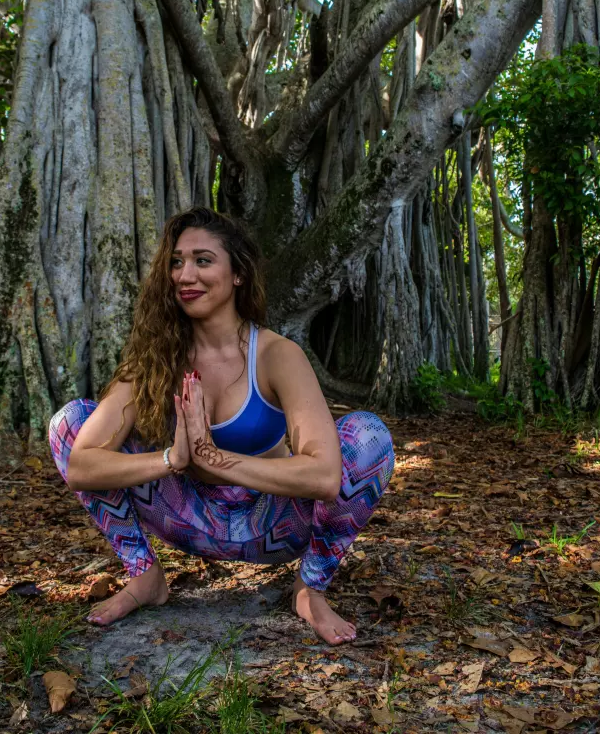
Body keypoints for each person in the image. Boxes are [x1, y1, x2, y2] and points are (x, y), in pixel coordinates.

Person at [49, 207, 395, 646]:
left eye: (203, 260)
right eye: (176, 262)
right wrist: (173, 458)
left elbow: (325, 476)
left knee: (368, 436)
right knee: (71, 422)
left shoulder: (276, 355)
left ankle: (309, 588)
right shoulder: (155, 359)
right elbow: (81, 465)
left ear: (238, 274)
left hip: (272, 527)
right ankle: (144, 575)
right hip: (186, 518)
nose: (185, 275)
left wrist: (213, 458)